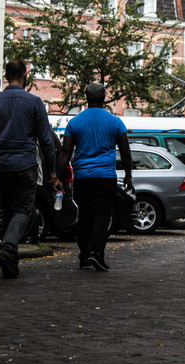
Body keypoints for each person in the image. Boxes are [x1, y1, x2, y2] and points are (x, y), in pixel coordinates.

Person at [0, 60, 60, 279]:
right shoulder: (34, 103)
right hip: (25, 164)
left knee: (7, 210)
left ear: (6, 76)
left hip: (2, 165)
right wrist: (51, 172)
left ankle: (10, 262)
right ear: (25, 75)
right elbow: (46, 142)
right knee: (23, 211)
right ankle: (7, 248)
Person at [56, 82, 133, 272]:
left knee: (85, 216)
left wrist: (57, 176)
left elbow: (66, 152)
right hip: (105, 177)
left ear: (86, 98)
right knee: (102, 215)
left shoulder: (75, 122)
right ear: (104, 98)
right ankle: (95, 252)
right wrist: (129, 175)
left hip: (82, 177)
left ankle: (84, 256)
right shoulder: (115, 122)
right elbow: (125, 151)